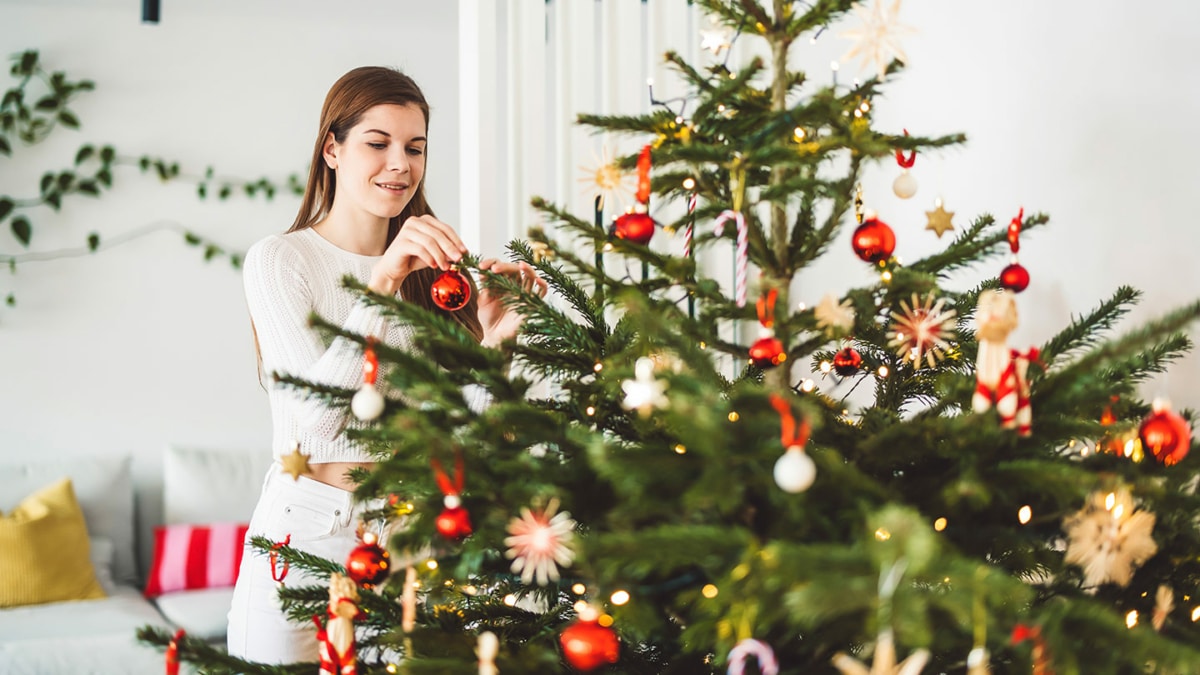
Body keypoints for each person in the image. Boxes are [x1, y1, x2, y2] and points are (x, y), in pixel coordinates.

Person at [227, 66, 547, 664]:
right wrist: (380, 284)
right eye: (378, 143)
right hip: (303, 530)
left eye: (415, 147)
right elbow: (313, 427)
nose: (400, 163)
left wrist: (499, 342)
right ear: (332, 150)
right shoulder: (279, 260)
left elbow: (464, 438)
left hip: (404, 533)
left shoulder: (432, 279)